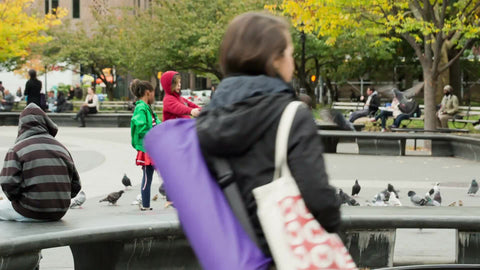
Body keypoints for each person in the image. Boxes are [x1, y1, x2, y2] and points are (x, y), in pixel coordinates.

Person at [196, 12, 340, 256]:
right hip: (278, 255)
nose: (292, 63)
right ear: (275, 59)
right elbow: (320, 203)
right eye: (290, 54)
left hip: (226, 257)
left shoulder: (205, 120)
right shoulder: (292, 115)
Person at [0, 103, 81, 221]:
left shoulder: (17, 149)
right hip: (59, 212)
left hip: (29, 211)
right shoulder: (62, 148)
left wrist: (21, 199)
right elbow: (76, 186)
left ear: (21, 125)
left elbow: (8, 185)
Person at [129, 79, 160, 211]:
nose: (154, 96)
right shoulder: (141, 107)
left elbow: (156, 122)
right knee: (147, 176)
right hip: (147, 148)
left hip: (152, 147)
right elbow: (141, 126)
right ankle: (146, 205)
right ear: (148, 93)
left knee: (149, 176)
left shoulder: (146, 108)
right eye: (153, 93)